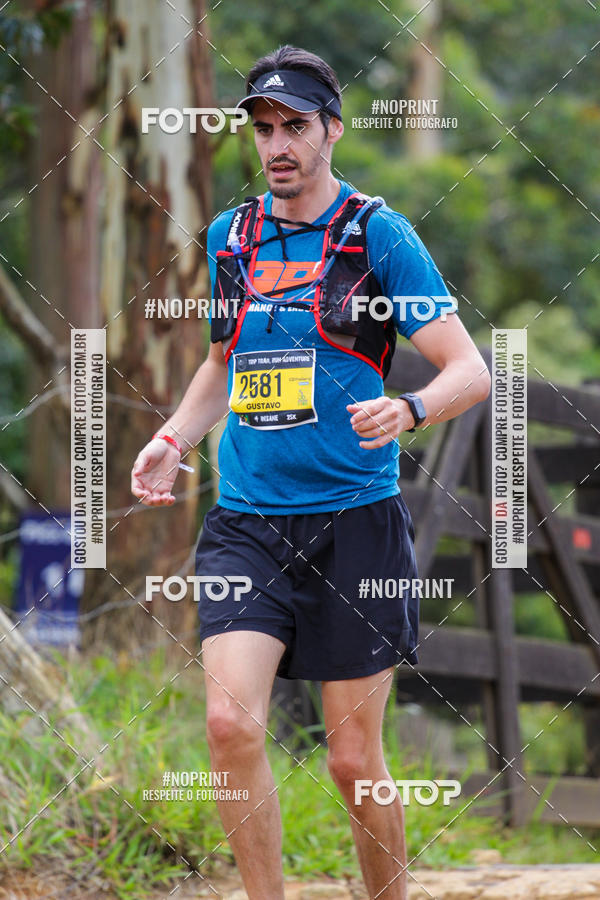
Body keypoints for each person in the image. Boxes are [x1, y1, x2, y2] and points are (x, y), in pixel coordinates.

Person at [131, 44, 490, 900]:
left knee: (353, 760)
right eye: (264, 129)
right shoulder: (232, 237)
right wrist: (175, 437)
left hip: (355, 524)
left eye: (295, 126)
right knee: (229, 726)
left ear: (333, 129)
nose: (278, 145)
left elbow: (470, 370)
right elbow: (221, 363)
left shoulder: (377, 235)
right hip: (248, 522)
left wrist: (409, 410)